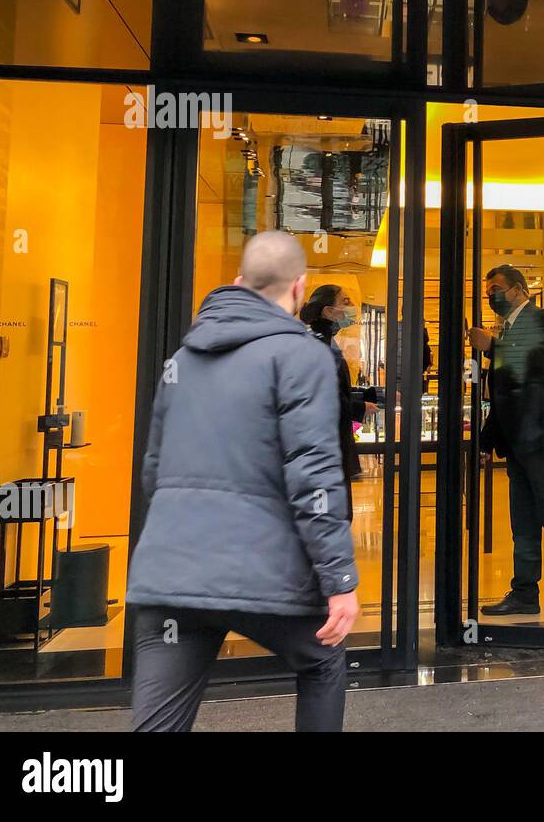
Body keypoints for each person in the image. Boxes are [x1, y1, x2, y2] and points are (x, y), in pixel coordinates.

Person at [127, 230, 360, 732]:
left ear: (237, 284)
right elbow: (314, 474)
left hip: (171, 574)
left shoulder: (181, 361)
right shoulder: (303, 356)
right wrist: (339, 580)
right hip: (258, 572)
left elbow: (154, 469)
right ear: (300, 287)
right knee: (323, 661)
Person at [467, 264, 544, 616]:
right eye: (488, 290)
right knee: (522, 519)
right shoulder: (506, 328)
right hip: (518, 440)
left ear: (519, 289)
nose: (492, 295)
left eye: (497, 288)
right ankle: (524, 592)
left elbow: (534, 362)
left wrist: (493, 346)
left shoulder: (541, 319)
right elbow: (504, 393)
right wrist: (486, 439)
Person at [300, 284, 376, 519]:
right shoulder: (318, 345)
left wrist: (372, 395)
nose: (352, 307)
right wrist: (360, 407)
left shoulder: (323, 342)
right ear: (328, 311)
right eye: (345, 302)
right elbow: (323, 397)